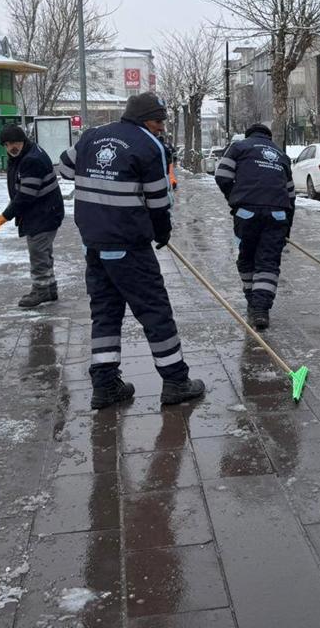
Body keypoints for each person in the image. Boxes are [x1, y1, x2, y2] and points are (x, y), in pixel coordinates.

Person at [59, 92, 206, 409]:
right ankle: (176, 381)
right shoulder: (148, 146)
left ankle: (105, 384)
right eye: (158, 121)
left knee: (105, 314)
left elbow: (65, 168)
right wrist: (162, 230)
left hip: (95, 244)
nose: (162, 128)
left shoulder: (91, 136)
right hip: (129, 246)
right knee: (155, 312)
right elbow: (158, 200)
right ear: (143, 119)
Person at [213, 123, 296, 329]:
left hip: (246, 213)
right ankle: (261, 309)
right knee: (268, 263)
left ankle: (253, 300)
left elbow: (222, 175)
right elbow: (291, 196)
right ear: (268, 137)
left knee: (247, 257)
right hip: (277, 214)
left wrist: (235, 198)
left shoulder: (239, 147)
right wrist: (286, 229)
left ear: (249, 134)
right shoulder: (280, 154)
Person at [0, 124, 64, 308]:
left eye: (16, 142)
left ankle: (41, 290)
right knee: (43, 251)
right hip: (42, 211)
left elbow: (26, 195)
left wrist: (6, 215)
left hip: (43, 213)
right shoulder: (22, 156)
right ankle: (49, 289)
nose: (12, 147)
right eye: (8, 144)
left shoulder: (32, 160)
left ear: (23, 141)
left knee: (39, 252)